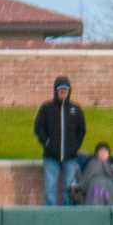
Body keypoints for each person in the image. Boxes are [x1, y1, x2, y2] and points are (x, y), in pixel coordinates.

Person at [35, 75, 88, 207]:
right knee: (50, 189)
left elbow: (81, 131)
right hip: (51, 157)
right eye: (60, 90)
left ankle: (67, 215)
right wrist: (47, 143)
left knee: (69, 189)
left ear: (69, 91)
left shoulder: (76, 109)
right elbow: (38, 128)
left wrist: (75, 147)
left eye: (65, 90)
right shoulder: (46, 108)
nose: (63, 92)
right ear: (56, 91)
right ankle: (50, 215)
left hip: (70, 158)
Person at [77, 142, 113, 206]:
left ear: (108, 154)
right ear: (96, 154)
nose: (103, 154)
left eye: (105, 152)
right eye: (101, 151)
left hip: (111, 191)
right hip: (95, 189)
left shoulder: (112, 166)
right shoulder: (92, 164)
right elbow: (85, 180)